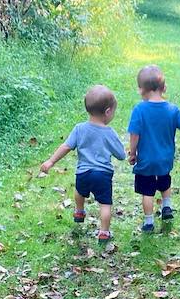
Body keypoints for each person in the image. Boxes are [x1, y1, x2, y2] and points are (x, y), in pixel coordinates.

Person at [40, 85, 125, 243]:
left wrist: (51, 161)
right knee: (105, 204)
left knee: (80, 191)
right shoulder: (109, 132)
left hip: (83, 173)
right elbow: (121, 155)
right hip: (102, 175)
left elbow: (66, 146)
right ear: (108, 112)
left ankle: (79, 211)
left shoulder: (79, 129)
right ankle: (104, 232)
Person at [128, 65, 180, 232]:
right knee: (164, 180)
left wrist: (132, 153)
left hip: (146, 161)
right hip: (165, 158)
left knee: (147, 191)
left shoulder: (139, 110)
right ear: (164, 88)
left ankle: (149, 222)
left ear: (141, 90)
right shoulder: (172, 110)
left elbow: (134, 135)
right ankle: (167, 206)